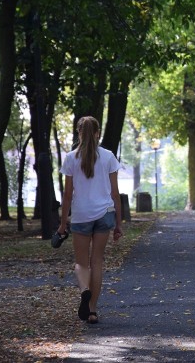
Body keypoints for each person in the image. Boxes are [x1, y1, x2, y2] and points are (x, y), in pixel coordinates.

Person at [57, 116, 123, 324]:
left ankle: (84, 290)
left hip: (81, 215)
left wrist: (62, 224)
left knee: (81, 263)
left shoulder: (70, 158)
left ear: (79, 134)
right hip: (104, 214)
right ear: (97, 133)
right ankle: (92, 310)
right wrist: (119, 224)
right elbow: (115, 193)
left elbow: (67, 195)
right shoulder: (108, 156)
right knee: (97, 262)